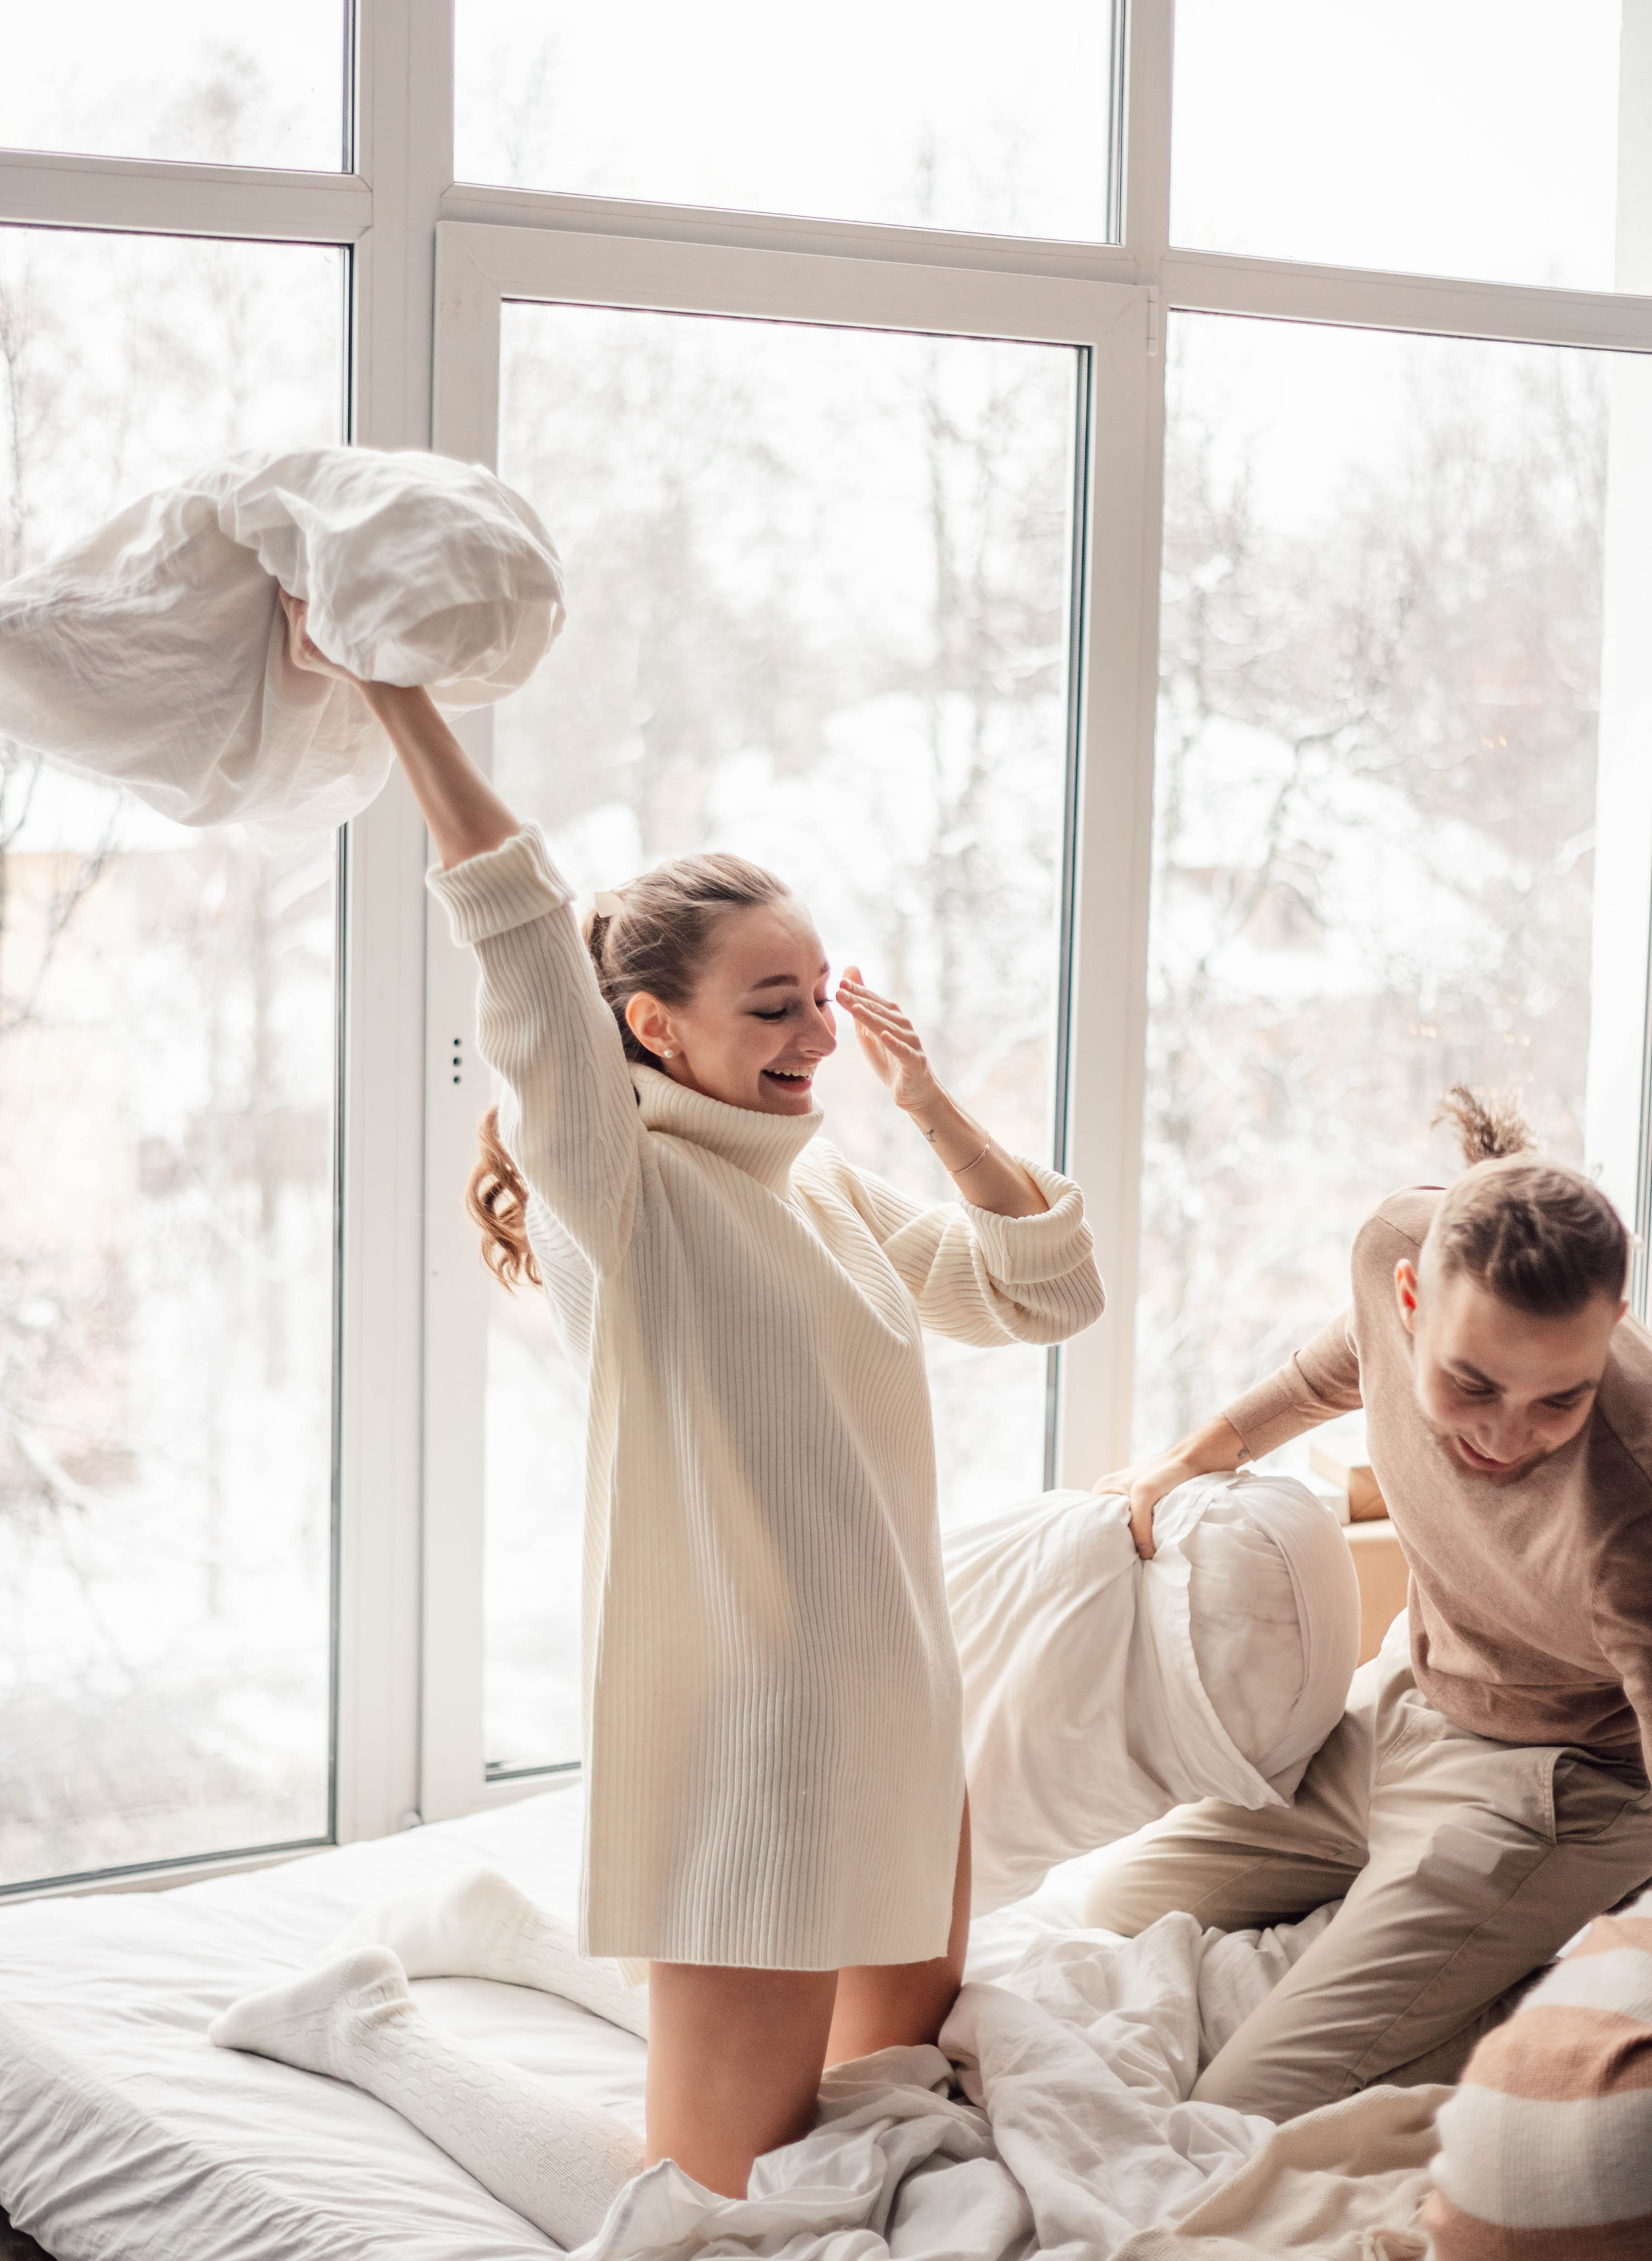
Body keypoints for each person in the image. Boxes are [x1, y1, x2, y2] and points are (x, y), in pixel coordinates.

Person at [271, 591, 1104, 2206]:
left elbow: (1041, 1292)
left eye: (818, 992)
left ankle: (508, 1941)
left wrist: (928, 1102)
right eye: (768, 1005)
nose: (813, 1036)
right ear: (651, 1027)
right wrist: (396, 693)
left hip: (900, 1708)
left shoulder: (821, 1185)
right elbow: (516, 924)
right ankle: (361, 2026)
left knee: (888, 2072)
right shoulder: (624, 1188)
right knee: (709, 2210)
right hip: (764, 1738)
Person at [1089, 1087, 1652, 2122]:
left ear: (1613, 1326)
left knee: (1248, 2106)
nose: (1507, 1435)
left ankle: (1527, 1982)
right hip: (1400, 1705)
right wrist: (1179, 1463)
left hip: (1555, 1791)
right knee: (1099, 1911)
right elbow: (1330, 1369)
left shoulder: (1637, 1499)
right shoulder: (1398, 1238)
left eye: (1559, 1400)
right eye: (1471, 1384)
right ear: (1408, 1299)